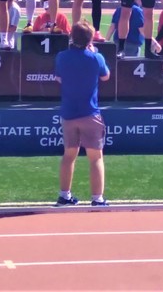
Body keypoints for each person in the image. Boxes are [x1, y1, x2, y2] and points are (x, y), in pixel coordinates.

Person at [53, 20, 111, 207]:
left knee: (69, 155)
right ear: (90, 40)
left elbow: (59, 79)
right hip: (90, 113)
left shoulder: (62, 56)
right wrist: (95, 54)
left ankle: (64, 195)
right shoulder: (96, 58)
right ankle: (97, 198)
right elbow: (106, 76)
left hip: (69, 113)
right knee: (96, 157)